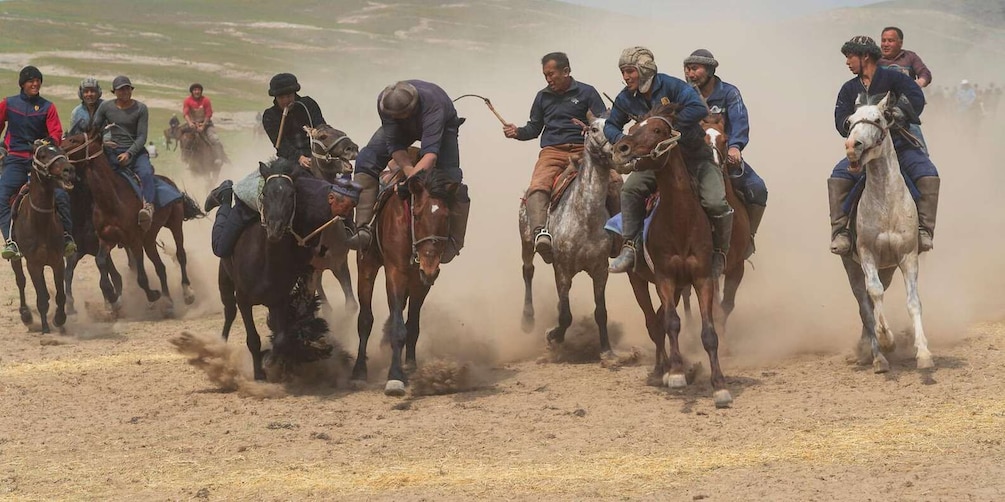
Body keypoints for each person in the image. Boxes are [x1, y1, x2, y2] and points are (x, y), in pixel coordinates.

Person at [604, 47, 732, 278]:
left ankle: (720, 254)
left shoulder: (672, 86)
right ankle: (630, 246)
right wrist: (621, 138)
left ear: (644, 70)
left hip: (694, 157)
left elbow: (696, 108)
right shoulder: (625, 97)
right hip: (656, 163)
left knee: (716, 202)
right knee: (630, 190)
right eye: (623, 72)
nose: (625, 77)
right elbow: (611, 125)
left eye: (630, 71)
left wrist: (665, 129)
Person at [828, 35, 940, 255]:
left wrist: (896, 113)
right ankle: (840, 232)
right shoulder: (848, 89)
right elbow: (840, 118)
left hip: (899, 144)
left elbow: (916, 97)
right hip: (863, 151)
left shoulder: (895, 79)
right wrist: (853, 125)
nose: (847, 62)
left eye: (850, 56)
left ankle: (924, 230)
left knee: (928, 173)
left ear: (865, 56)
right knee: (838, 176)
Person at [502, 51, 612, 262]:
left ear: (566, 71)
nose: (548, 79)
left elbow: (602, 121)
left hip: (584, 150)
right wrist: (517, 132)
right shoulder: (542, 97)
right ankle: (540, 233)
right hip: (553, 151)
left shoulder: (587, 93)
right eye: (545, 75)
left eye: (551, 74)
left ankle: (621, 236)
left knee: (615, 181)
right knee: (538, 185)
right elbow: (534, 128)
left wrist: (598, 122)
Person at [346, 80, 470, 263]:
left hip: (444, 125)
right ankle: (363, 228)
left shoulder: (433, 106)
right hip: (403, 130)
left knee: (452, 178)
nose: (400, 118)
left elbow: (430, 155)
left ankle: (454, 240)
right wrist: (408, 171)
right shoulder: (385, 104)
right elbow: (394, 144)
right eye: (396, 117)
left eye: (404, 114)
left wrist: (408, 183)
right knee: (366, 159)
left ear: (413, 107)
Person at [203, 73, 325, 258]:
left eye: (290, 95)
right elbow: (280, 146)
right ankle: (227, 197)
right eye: (282, 97)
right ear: (275, 97)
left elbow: (322, 127)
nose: (287, 100)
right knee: (222, 249)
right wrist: (299, 158)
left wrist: (320, 141)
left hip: (316, 159)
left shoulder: (308, 105)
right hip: (289, 163)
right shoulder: (270, 116)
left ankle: (347, 229)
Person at [683, 49, 768, 256]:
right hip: (691, 158)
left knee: (757, 189)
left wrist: (735, 146)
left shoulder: (729, 93)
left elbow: (740, 121)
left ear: (710, 70)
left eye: (695, 68)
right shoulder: (684, 94)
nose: (690, 74)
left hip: (724, 156)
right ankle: (638, 243)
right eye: (687, 69)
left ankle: (748, 237)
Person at [0, 66, 74, 260]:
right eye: (31, 81)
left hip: (41, 161)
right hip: (15, 158)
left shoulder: (47, 107)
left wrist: (48, 143)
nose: (35, 84)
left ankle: (66, 237)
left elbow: (56, 132)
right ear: (22, 84)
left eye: (38, 80)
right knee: (2, 196)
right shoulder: (8, 103)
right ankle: (11, 241)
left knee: (61, 195)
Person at [90, 75, 156, 232]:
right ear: (114, 92)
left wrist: (129, 153)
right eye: (121, 89)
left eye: (127, 88)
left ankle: (148, 207)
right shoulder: (106, 107)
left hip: (135, 151)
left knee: (146, 173)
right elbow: (95, 128)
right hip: (111, 151)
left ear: (131, 90)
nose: (125, 91)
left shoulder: (141, 108)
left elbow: (142, 137)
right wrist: (104, 141)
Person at [878, 26, 933, 153]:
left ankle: (924, 168)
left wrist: (919, 83)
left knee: (920, 150)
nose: (886, 44)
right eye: (883, 40)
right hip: (879, 112)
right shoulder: (876, 59)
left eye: (890, 41)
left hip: (905, 113)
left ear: (900, 43)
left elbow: (925, 73)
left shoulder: (910, 57)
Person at [182, 83, 228, 165]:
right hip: (193, 124)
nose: (197, 92)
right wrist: (190, 123)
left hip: (206, 124)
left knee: (214, 138)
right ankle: (186, 157)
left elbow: (208, 114)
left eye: (198, 90)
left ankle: (219, 157)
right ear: (192, 91)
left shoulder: (205, 100)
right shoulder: (187, 101)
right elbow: (185, 113)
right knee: (184, 138)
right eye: (195, 90)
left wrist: (203, 125)